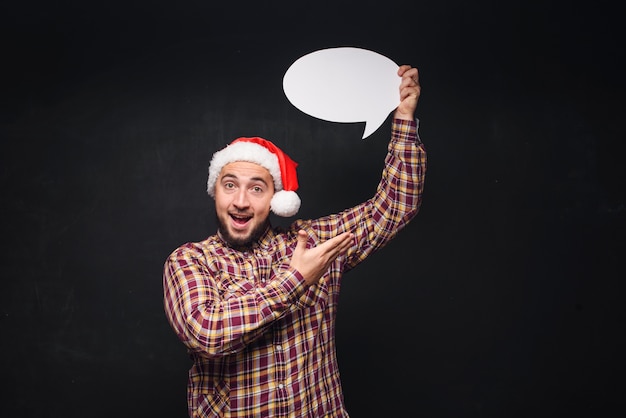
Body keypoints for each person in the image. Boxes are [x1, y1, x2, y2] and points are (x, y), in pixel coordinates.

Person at [163, 64, 426, 418]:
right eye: (230, 185)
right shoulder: (190, 261)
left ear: (276, 199)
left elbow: (395, 205)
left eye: (257, 188)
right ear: (215, 193)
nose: (241, 201)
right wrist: (296, 280)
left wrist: (404, 120)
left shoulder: (313, 242)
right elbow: (207, 333)